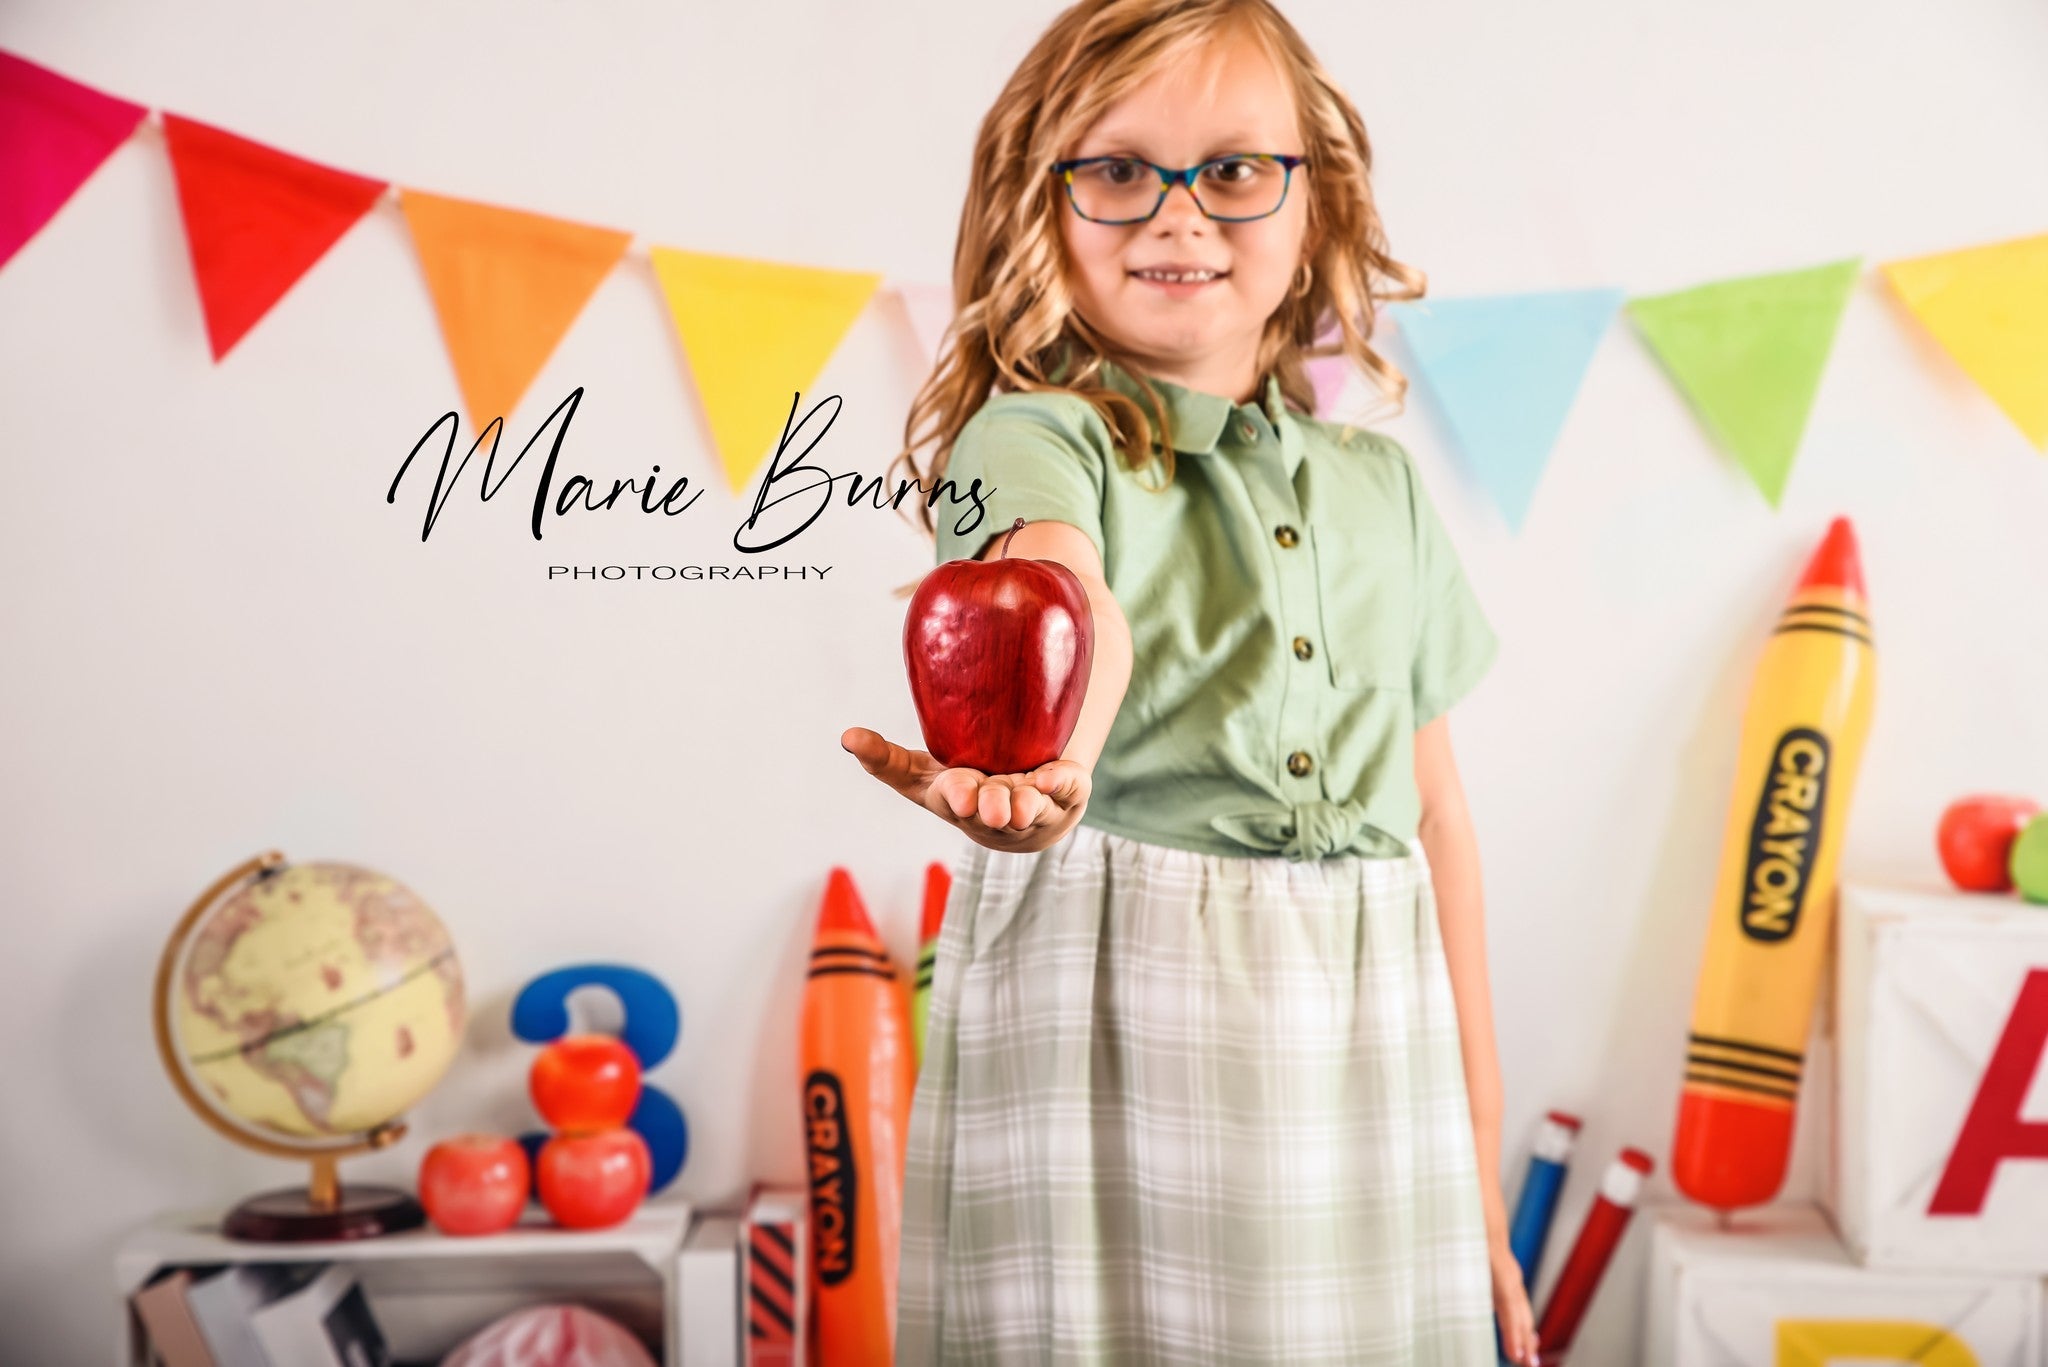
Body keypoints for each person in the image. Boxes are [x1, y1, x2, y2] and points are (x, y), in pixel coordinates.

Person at [841, 1, 1536, 1361]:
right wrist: (1050, 768)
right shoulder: (1029, 438)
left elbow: (1439, 820)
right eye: (1116, 170)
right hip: (1117, 1016)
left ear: (1315, 205)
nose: (1176, 216)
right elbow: (1056, 590)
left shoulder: (1381, 487)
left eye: (1231, 170)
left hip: (1373, 1034)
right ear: (1038, 202)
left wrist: (1480, 1160)